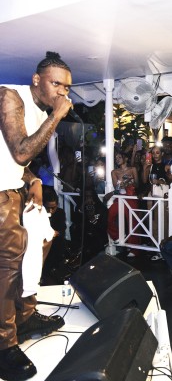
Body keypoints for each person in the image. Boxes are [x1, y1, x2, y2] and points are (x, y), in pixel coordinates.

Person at [0, 51, 72, 381]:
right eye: (57, 84)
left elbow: (17, 161)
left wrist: (35, 180)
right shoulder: (9, 97)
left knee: (42, 242)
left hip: (15, 190)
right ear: (36, 80)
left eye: (67, 87)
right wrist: (56, 115)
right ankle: (4, 345)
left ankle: (25, 316)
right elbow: (21, 151)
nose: (62, 92)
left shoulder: (37, 109)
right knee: (7, 268)